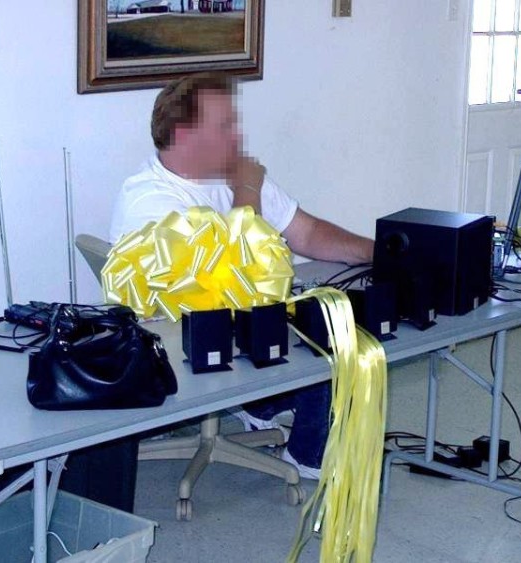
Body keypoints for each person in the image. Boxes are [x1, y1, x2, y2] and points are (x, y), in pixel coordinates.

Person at [109, 73, 374, 478]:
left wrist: (379, 251)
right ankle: (309, 454)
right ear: (184, 134)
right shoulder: (149, 200)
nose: (236, 136)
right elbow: (238, 276)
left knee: (333, 307)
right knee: (326, 330)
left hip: (234, 324)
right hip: (182, 336)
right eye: (224, 126)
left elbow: (305, 233)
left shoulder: (227, 173)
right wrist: (248, 190)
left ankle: (262, 406)